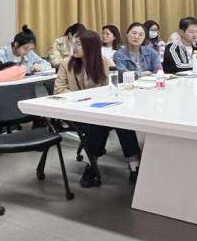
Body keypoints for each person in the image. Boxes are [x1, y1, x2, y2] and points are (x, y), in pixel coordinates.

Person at [54, 30, 140, 186]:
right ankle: (91, 165)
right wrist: (82, 98)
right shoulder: (66, 63)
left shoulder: (106, 63)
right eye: (74, 43)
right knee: (97, 124)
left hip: (102, 110)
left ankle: (135, 165)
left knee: (122, 122)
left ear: (90, 46)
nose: (74, 47)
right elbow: (59, 89)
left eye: (79, 44)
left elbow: (113, 89)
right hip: (76, 112)